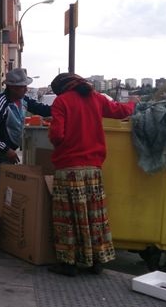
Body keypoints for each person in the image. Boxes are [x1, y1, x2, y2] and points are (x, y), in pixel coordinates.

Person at [47, 73, 136, 276]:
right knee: (94, 217)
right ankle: (96, 261)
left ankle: (68, 264)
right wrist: (133, 104)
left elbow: (57, 135)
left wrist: (56, 138)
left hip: (69, 169)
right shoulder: (97, 97)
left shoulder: (61, 102)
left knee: (68, 218)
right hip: (93, 170)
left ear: (61, 88)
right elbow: (120, 111)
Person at [0, 68, 51, 214]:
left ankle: (3, 221)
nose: (26, 89)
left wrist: (61, 107)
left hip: (9, 152)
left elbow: (40, 108)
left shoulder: (22, 100)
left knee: (7, 189)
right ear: (12, 87)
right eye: (23, 86)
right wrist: (6, 150)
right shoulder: (0, 103)